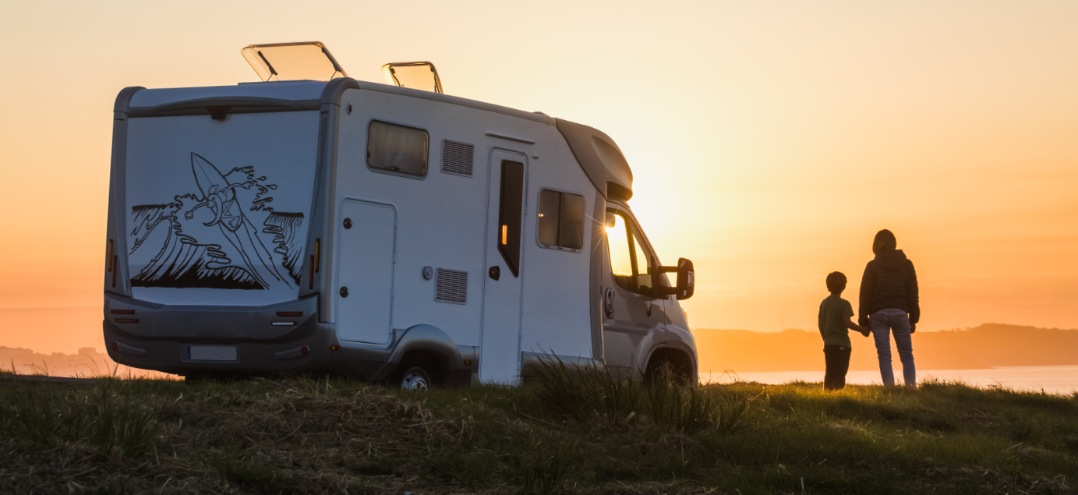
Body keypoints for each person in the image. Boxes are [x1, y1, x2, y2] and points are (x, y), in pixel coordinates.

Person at [859, 229, 920, 387]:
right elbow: (913, 292)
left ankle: (890, 389)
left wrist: (863, 320)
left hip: (878, 314)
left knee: (884, 355)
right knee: (907, 355)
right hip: (900, 313)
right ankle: (911, 388)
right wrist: (914, 319)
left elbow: (865, 294)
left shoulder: (872, 266)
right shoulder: (906, 264)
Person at [819, 271, 870, 390]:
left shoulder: (824, 303)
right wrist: (862, 329)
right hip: (842, 343)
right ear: (844, 286)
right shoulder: (844, 304)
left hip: (829, 343)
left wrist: (826, 338)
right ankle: (838, 396)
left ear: (828, 285)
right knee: (840, 372)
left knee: (830, 372)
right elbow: (847, 323)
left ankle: (827, 394)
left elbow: (820, 324)